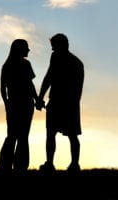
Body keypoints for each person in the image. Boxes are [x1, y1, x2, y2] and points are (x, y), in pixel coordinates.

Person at [36, 33, 84, 174]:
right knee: (59, 134)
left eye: (54, 47)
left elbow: (48, 78)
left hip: (65, 103)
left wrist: (40, 98)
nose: (52, 50)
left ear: (61, 45)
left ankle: (72, 164)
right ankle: (56, 164)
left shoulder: (73, 62)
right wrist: (40, 97)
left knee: (66, 135)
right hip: (63, 102)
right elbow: (48, 78)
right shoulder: (71, 61)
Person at [0, 39, 39, 173]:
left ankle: (5, 165)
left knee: (12, 135)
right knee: (22, 136)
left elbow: (3, 89)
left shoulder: (7, 65)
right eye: (26, 48)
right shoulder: (25, 64)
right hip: (24, 104)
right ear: (20, 49)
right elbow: (30, 85)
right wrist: (37, 99)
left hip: (15, 103)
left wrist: (6, 104)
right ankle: (20, 167)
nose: (28, 50)